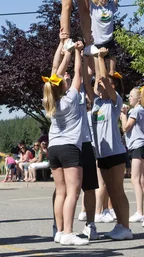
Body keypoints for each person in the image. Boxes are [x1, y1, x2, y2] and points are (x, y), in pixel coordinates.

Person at [83, 49, 133, 240]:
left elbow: (102, 78)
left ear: (110, 87)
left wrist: (99, 58)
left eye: (103, 85)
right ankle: (119, 225)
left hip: (116, 153)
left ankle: (126, 227)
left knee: (118, 190)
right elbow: (88, 82)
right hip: (102, 155)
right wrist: (85, 56)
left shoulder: (115, 101)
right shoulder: (95, 104)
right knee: (110, 191)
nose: (99, 86)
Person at [44, 41, 89, 246]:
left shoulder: (50, 101)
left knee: (60, 192)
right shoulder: (70, 97)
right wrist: (78, 53)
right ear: (63, 84)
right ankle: (68, 232)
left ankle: (60, 231)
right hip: (70, 147)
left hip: (54, 147)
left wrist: (67, 55)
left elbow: (56, 75)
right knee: (73, 191)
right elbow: (79, 74)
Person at [90, 0, 136, 74]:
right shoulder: (93, 8)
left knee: (111, 73)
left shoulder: (111, 6)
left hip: (109, 42)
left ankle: (112, 90)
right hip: (97, 43)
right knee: (100, 74)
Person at [120, 87, 144, 223]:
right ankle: (141, 211)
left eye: (131, 96)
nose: (129, 98)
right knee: (141, 180)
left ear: (139, 98)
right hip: (140, 145)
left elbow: (125, 127)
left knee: (135, 179)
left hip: (138, 146)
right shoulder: (140, 110)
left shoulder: (136, 110)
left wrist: (123, 115)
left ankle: (140, 212)